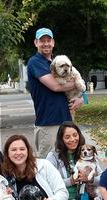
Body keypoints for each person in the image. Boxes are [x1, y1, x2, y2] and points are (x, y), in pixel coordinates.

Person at [26, 27, 84, 156]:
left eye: (48, 40)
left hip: (67, 121)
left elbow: (74, 78)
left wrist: (82, 98)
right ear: (36, 43)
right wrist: (77, 83)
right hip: (48, 124)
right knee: (48, 166)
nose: (46, 44)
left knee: (69, 162)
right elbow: (56, 86)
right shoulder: (35, 62)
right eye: (42, 41)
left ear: (53, 42)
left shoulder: (58, 62)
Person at [46, 122, 105, 200]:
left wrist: (91, 179)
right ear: (61, 139)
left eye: (75, 135)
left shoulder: (87, 151)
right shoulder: (53, 156)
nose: (72, 139)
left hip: (87, 196)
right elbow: (48, 183)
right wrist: (70, 181)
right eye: (67, 137)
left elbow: (103, 177)